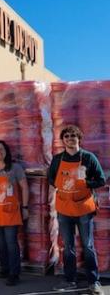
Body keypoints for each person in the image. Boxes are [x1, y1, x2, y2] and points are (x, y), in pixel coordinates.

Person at [48, 125, 105, 292]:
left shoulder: (89, 158)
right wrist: (63, 186)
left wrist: (86, 183)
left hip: (83, 209)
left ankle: (93, 282)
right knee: (68, 247)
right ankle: (69, 280)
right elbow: (51, 178)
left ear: (79, 138)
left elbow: (101, 180)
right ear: (63, 140)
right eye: (66, 136)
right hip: (64, 209)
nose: (70, 139)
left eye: (73, 136)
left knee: (88, 246)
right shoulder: (57, 159)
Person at [0, 140, 28, 286]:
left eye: (1, 149)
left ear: (6, 151)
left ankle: (14, 273)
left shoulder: (15, 168)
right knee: (1, 243)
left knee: (11, 242)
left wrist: (25, 207)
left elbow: (25, 187)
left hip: (10, 211)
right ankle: (4, 268)